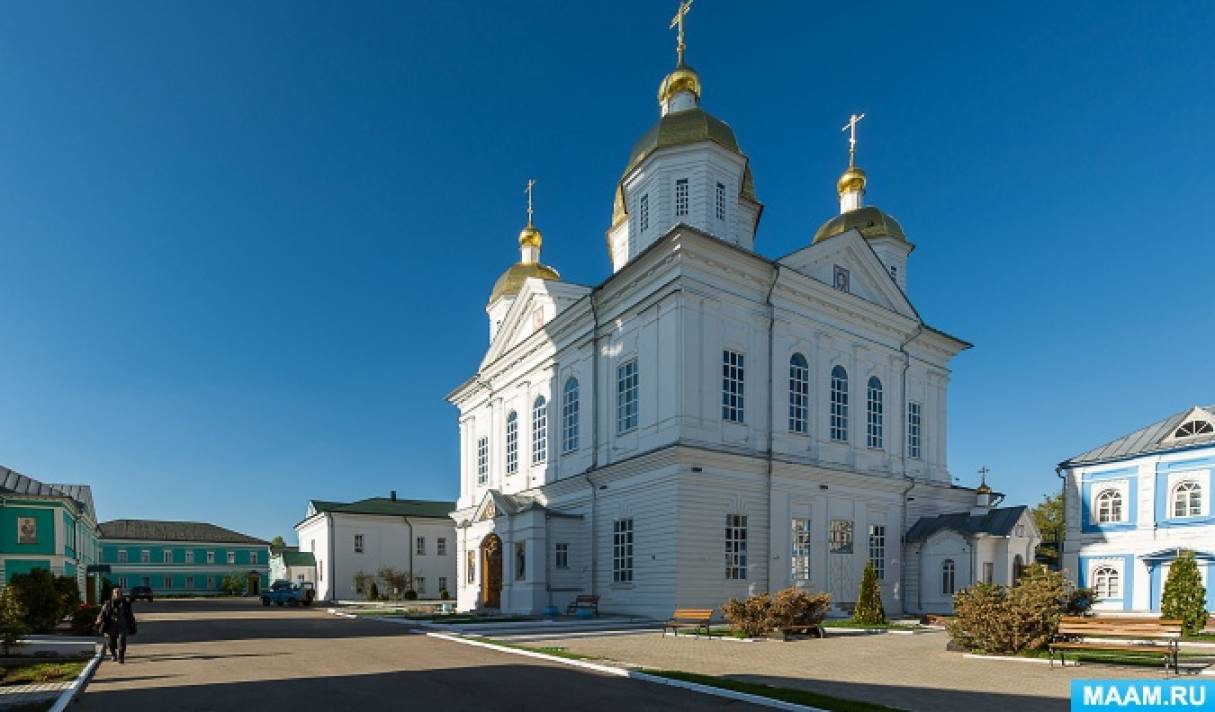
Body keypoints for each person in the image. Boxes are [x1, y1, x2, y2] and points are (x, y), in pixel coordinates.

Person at [95, 587, 137, 663]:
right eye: (115, 592)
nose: (117, 594)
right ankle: (113, 655)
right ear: (113, 594)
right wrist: (99, 619)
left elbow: (130, 614)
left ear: (121, 594)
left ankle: (121, 657)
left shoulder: (126, 603)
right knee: (111, 643)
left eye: (119, 592)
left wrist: (132, 623)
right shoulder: (108, 603)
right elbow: (102, 612)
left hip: (122, 625)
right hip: (111, 626)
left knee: (122, 641)